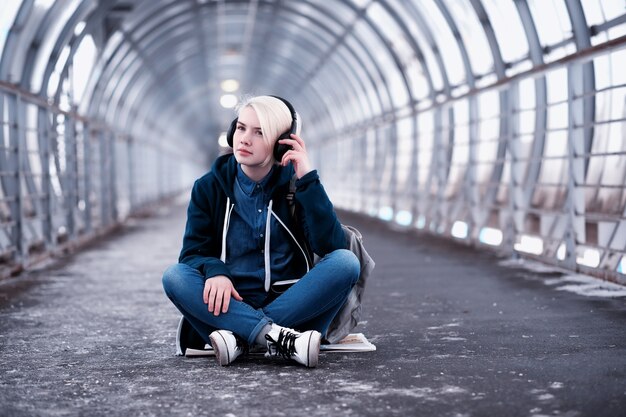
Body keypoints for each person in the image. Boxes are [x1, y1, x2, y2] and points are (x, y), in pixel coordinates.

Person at [162, 95, 360, 368]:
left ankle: (241, 339)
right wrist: (215, 271)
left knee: (346, 262)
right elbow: (193, 254)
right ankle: (279, 338)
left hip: (291, 305)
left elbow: (330, 246)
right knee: (175, 276)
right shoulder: (208, 188)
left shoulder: (296, 187)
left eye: (259, 132)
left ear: (282, 144)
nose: (244, 139)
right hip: (229, 304)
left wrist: (308, 179)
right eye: (241, 128)